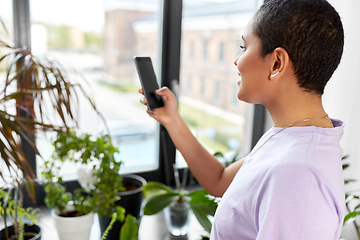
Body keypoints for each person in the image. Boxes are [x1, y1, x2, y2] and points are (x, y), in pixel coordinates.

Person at [139, 0, 345, 239]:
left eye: (243, 46)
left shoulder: (298, 173)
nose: (237, 60)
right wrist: (172, 119)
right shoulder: (290, 135)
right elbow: (219, 181)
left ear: (277, 63)